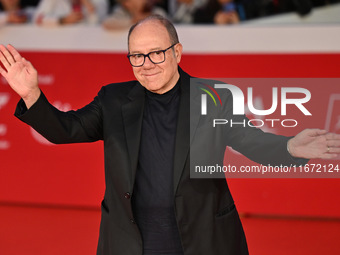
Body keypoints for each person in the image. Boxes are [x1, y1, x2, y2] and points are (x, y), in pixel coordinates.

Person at [0, 14, 340, 255]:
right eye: (136, 56)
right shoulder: (114, 99)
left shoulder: (214, 97)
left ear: (176, 52)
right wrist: (32, 95)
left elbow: (251, 140)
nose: (146, 63)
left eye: (156, 53)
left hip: (202, 239)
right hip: (133, 241)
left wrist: (291, 147)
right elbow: (65, 130)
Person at [33, 0, 108, 26]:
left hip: (88, 49)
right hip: (58, 46)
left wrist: (86, 2)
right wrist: (63, 20)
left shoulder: (100, 1)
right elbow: (37, 19)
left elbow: (100, 23)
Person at [102, 0, 167, 30]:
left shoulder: (157, 11)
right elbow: (107, 23)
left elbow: (166, 26)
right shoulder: (122, 12)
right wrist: (133, 21)